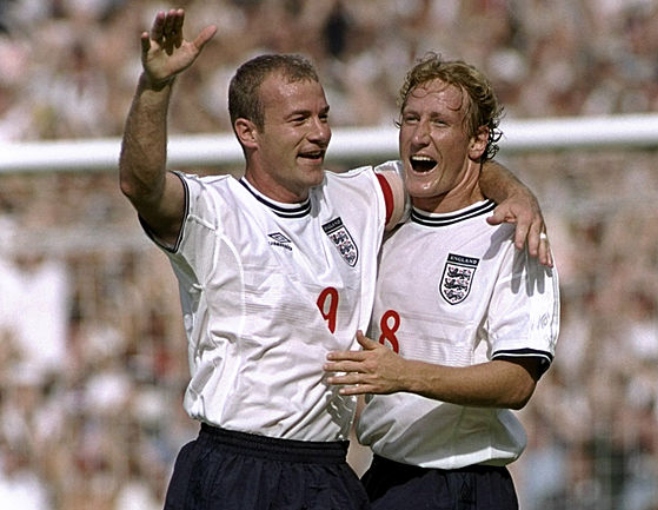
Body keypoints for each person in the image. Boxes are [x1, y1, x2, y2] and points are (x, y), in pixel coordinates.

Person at [118, 8, 551, 510]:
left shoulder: (357, 198)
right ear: (248, 132)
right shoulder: (215, 212)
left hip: (328, 471)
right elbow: (141, 184)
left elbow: (457, 169)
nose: (319, 133)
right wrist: (154, 89)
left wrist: (514, 191)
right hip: (238, 468)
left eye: (323, 116)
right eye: (298, 120)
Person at [324, 53, 560, 510]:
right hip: (386, 480)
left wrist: (404, 374)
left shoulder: (514, 235)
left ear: (476, 141)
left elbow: (516, 383)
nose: (419, 134)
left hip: (464, 485)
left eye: (440, 122)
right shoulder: (380, 210)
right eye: (411, 118)